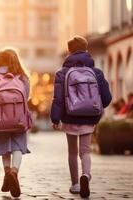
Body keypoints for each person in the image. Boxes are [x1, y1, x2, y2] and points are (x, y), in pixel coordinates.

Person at [50, 35, 112, 198]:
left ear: (69, 51)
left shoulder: (62, 73)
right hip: (88, 117)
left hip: (69, 117)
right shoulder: (96, 72)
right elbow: (107, 99)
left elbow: (57, 99)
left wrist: (55, 119)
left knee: (72, 152)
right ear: (86, 50)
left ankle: (75, 184)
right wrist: (95, 108)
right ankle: (86, 175)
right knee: (85, 151)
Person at [0, 48, 31, 198]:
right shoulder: (22, 77)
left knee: (4, 147)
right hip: (19, 119)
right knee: (18, 146)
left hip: (0, 119)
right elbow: (26, 97)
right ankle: (14, 172)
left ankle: (7, 173)